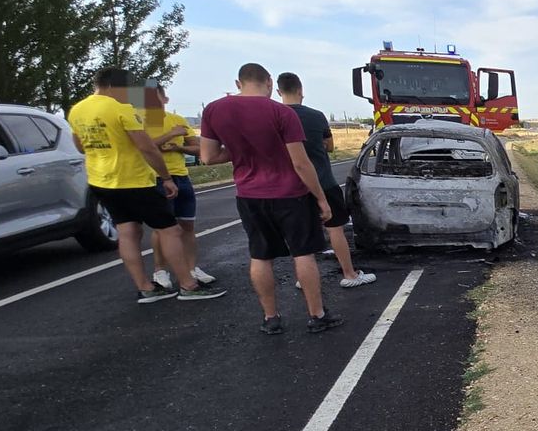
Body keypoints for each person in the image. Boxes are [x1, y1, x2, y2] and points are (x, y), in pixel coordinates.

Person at [198, 63, 342, 335]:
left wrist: (241, 151)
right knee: (303, 253)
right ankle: (316, 314)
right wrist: (321, 198)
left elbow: (208, 157)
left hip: (250, 195)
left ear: (239, 83)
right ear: (267, 83)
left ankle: (271, 317)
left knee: (260, 255)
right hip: (291, 195)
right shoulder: (281, 112)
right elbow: (300, 163)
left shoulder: (214, 110)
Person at [66, 68, 227, 304]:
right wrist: (166, 177)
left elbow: (80, 147)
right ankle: (188, 285)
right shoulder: (121, 109)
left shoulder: (78, 110)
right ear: (114, 86)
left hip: (101, 180)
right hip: (134, 179)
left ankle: (146, 288)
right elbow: (146, 148)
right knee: (169, 230)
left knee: (127, 232)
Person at [276, 72, 375, 288]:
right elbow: (329, 146)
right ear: (301, 90)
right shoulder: (316, 116)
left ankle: (305, 278)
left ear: (278, 91)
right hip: (324, 182)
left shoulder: (274, 117)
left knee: (301, 234)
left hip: (292, 188)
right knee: (335, 228)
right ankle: (349, 274)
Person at [142, 84, 215, 288]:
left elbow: (197, 148)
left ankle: (192, 269)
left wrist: (180, 146)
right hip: (156, 178)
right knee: (162, 228)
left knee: (187, 226)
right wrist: (171, 135)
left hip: (181, 177)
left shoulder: (178, 120)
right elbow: (143, 147)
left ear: (165, 100)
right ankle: (160, 271)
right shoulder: (139, 122)